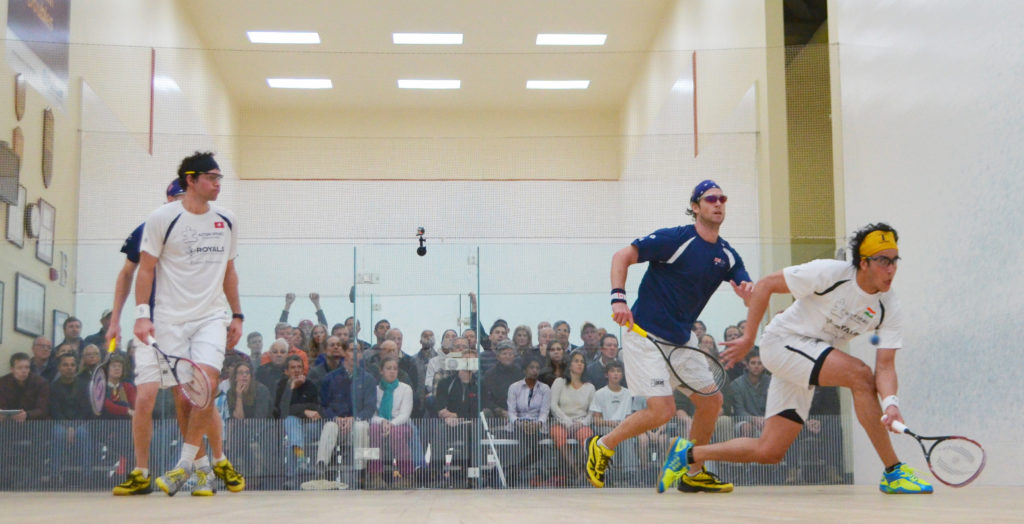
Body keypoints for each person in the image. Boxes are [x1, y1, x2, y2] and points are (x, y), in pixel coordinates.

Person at [682, 223, 932, 494]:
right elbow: (765, 285)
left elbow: (885, 366)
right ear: (864, 263)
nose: (891, 269)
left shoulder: (889, 306)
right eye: (883, 261)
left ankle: (689, 454)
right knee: (859, 375)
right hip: (782, 343)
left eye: (895, 261)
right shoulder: (831, 273)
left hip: (806, 359)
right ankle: (893, 471)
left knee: (770, 450)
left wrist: (891, 403)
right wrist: (748, 338)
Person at [588, 179, 753, 494]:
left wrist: (748, 293)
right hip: (644, 334)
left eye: (722, 199)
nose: (718, 204)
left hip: (681, 339)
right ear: (695, 206)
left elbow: (747, 289)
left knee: (711, 401)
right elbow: (621, 256)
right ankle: (603, 445)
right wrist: (618, 298)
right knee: (662, 411)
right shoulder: (674, 239)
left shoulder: (727, 256)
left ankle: (693, 472)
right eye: (710, 199)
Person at [132, 152, 245, 497]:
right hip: (169, 320)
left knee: (205, 384)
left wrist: (237, 314)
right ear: (191, 180)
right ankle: (201, 470)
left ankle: (182, 465)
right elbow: (146, 268)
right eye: (211, 177)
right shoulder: (161, 219)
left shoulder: (227, 220)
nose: (217, 184)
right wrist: (141, 314)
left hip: (211, 317)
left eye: (220, 177)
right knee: (185, 398)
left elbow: (229, 272)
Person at [106, 178, 185, 495]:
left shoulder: (199, 234)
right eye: (178, 198)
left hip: (183, 327)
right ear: (167, 199)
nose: (182, 204)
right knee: (145, 400)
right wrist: (115, 320)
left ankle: (196, 469)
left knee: (186, 399)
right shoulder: (146, 229)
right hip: (149, 328)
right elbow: (126, 274)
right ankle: (141, 473)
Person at [315, 340, 376, 474]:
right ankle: (320, 467)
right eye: (351, 350)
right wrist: (336, 418)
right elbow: (322, 405)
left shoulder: (368, 379)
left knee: (361, 426)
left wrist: (353, 419)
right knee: (330, 426)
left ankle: (361, 471)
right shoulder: (330, 378)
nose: (355, 354)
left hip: (356, 425)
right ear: (343, 353)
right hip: (337, 426)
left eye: (358, 351)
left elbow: (370, 408)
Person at [274, 355, 322, 488]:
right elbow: (282, 411)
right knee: (290, 421)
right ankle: (300, 463)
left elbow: (316, 408)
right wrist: (292, 389)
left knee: (293, 437)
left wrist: (299, 411)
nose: (296, 370)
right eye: (293, 368)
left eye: (299, 367)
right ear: (287, 371)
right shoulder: (281, 385)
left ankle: (292, 476)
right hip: (290, 428)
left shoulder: (310, 385)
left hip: (310, 426)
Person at [367, 357, 415, 487]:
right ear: (381, 371)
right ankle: (375, 475)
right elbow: (371, 414)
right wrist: (383, 421)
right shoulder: (375, 389)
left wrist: (391, 424)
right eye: (388, 369)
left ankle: (407, 475)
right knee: (373, 430)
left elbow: (405, 414)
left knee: (396, 433)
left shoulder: (406, 389)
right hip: (380, 424)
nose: (392, 372)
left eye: (395, 369)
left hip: (401, 425)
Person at [549, 352, 596, 484]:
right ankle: (575, 471)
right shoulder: (559, 382)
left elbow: (592, 411)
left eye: (582, 361)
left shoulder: (590, 387)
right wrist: (568, 422)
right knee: (558, 433)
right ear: (569, 365)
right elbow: (553, 405)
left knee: (587, 436)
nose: (580, 364)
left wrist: (582, 423)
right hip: (561, 421)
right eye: (576, 361)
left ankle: (580, 472)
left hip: (581, 422)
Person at [504, 358, 550, 486]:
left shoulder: (545, 388)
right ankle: (516, 470)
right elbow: (511, 412)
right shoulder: (514, 387)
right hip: (518, 425)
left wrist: (538, 424)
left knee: (537, 447)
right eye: (531, 367)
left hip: (537, 426)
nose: (534, 370)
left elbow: (544, 412)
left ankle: (515, 470)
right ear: (525, 370)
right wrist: (520, 423)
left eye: (537, 368)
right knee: (538, 450)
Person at [48, 353, 94, 479]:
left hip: (81, 422)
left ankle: (87, 476)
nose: (69, 368)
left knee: (83, 434)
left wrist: (73, 426)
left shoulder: (85, 385)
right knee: (57, 433)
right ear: (59, 368)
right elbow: (55, 410)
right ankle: (55, 475)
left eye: (72, 365)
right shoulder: (53, 387)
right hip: (61, 423)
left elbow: (86, 410)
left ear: (76, 367)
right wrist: (67, 427)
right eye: (65, 365)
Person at [590, 362, 638, 475]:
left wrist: (622, 426)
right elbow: (596, 420)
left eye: (618, 371)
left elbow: (629, 417)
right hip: (605, 428)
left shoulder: (628, 393)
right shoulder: (599, 393)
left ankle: (630, 472)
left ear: (622, 375)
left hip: (623, 427)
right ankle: (611, 472)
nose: (616, 374)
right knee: (610, 435)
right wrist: (610, 423)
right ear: (606, 374)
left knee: (626, 435)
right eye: (612, 371)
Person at [729, 351, 770, 438]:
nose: (756, 366)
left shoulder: (771, 382)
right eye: (753, 363)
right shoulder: (736, 384)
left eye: (760, 363)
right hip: (744, 421)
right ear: (747, 365)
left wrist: (766, 420)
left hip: (767, 420)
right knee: (747, 427)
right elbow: (739, 411)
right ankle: (747, 452)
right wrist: (753, 419)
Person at [480, 341, 523, 419]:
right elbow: (486, 399)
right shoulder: (489, 375)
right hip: (497, 412)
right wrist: (501, 411)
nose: (508, 356)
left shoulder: (520, 374)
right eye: (504, 354)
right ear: (498, 357)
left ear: (514, 356)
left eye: (510, 354)